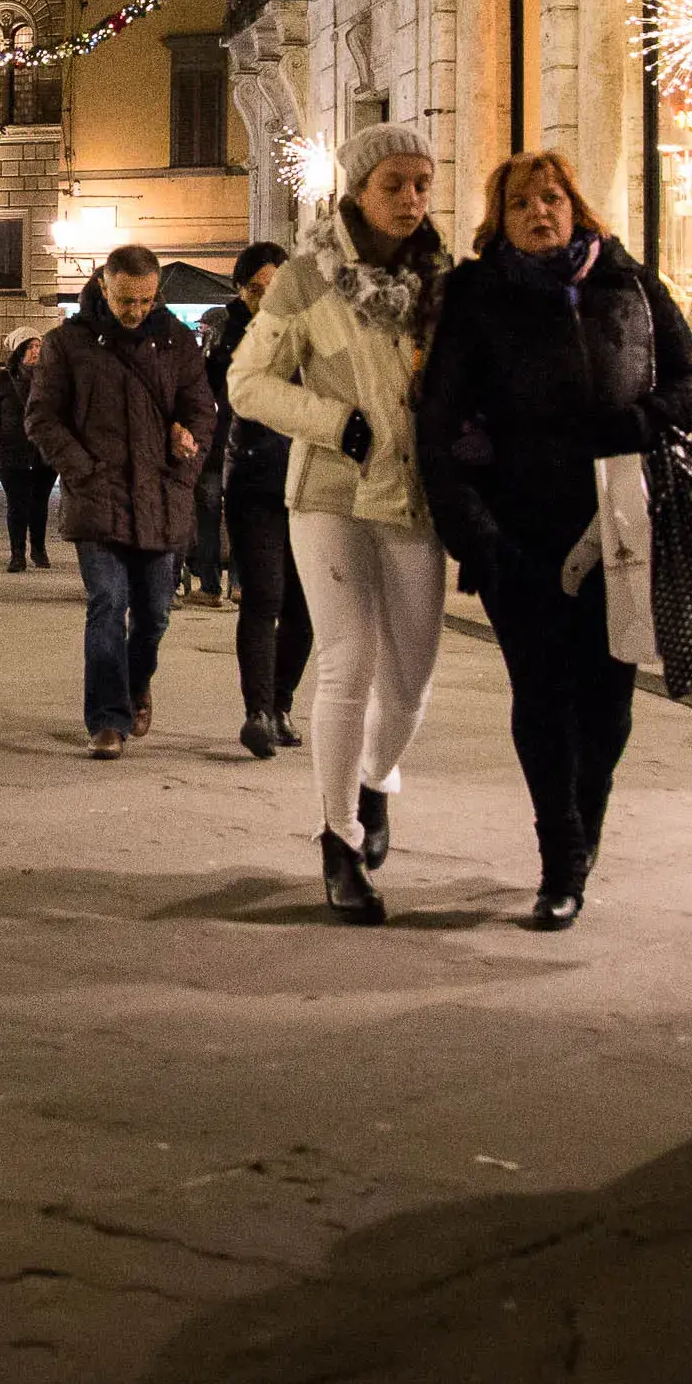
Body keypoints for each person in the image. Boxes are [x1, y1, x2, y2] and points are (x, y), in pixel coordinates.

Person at [417, 149, 692, 931]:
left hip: (619, 526)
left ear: (576, 206)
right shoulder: (479, 297)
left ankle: (581, 835)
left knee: (610, 704)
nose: (540, 212)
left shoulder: (629, 282)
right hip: (523, 531)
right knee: (544, 696)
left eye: (551, 198)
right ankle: (561, 858)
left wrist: (642, 419)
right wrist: (474, 535)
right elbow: (439, 424)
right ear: (501, 220)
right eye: (522, 203)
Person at [228, 121, 452, 924]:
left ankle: (376, 777)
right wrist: (332, 422)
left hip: (415, 498)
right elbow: (246, 382)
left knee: (412, 679)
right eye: (394, 183)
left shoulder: (442, 280)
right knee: (347, 662)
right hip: (329, 491)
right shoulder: (305, 277)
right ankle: (338, 841)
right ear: (358, 187)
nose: (411, 199)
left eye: (422, 184)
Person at [27, 247, 222, 758]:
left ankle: (136, 683)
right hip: (98, 495)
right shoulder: (66, 343)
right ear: (104, 287)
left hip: (161, 492)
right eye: (125, 300)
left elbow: (202, 409)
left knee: (155, 611)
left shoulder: (175, 340)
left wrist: (188, 447)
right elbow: (42, 418)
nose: (135, 310)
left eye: (146, 300)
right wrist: (82, 469)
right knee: (108, 603)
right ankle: (107, 720)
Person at [204, 242, 312, 759]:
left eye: (276, 288)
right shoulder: (229, 338)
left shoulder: (314, 326)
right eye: (255, 289)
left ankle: (283, 702)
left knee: (306, 606)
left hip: (313, 481)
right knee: (264, 596)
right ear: (241, 291)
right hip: (254, 483)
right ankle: (259, 712)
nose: (266, 298)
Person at [0, 332, 57, 571]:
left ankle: (38, 549)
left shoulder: (51, 377)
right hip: (11, 451)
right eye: (30, 347)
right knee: (17, 504)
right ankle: (17, 553)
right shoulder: (3, 378)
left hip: (43, 453)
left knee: (39, 504)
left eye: (38, 346)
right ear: (19, 351)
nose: (36, 351)